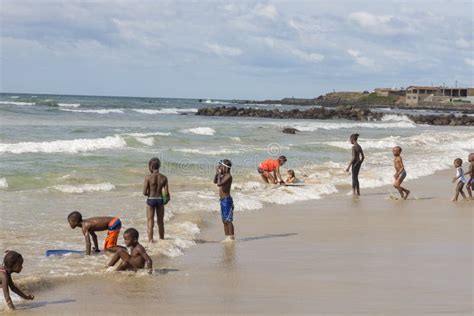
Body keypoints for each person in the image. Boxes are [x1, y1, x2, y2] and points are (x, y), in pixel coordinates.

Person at [143, 157, 170, 242]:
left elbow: (144, 192)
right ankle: (162, 239)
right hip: (160, 200)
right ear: (159, 166)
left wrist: (149, 195)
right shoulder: (164, 178)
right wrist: (165, 200)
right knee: (160, 222)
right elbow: (167, 194)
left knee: (150, 221)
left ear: (151, 166)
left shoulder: (148, 177)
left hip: (151, 199)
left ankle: (150, 241)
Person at [213, 159, 234, 242]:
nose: (220, 167)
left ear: (225, 168)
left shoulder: (228, 176)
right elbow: (215, 181)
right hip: (222, 200)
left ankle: (231, 237)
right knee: (224, 220)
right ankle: (227, 237)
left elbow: (219, 184)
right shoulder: (223, 175)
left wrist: (219, 174)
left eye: (221, 166)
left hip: (227, 200)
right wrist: (217, 174)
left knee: (228, 220)